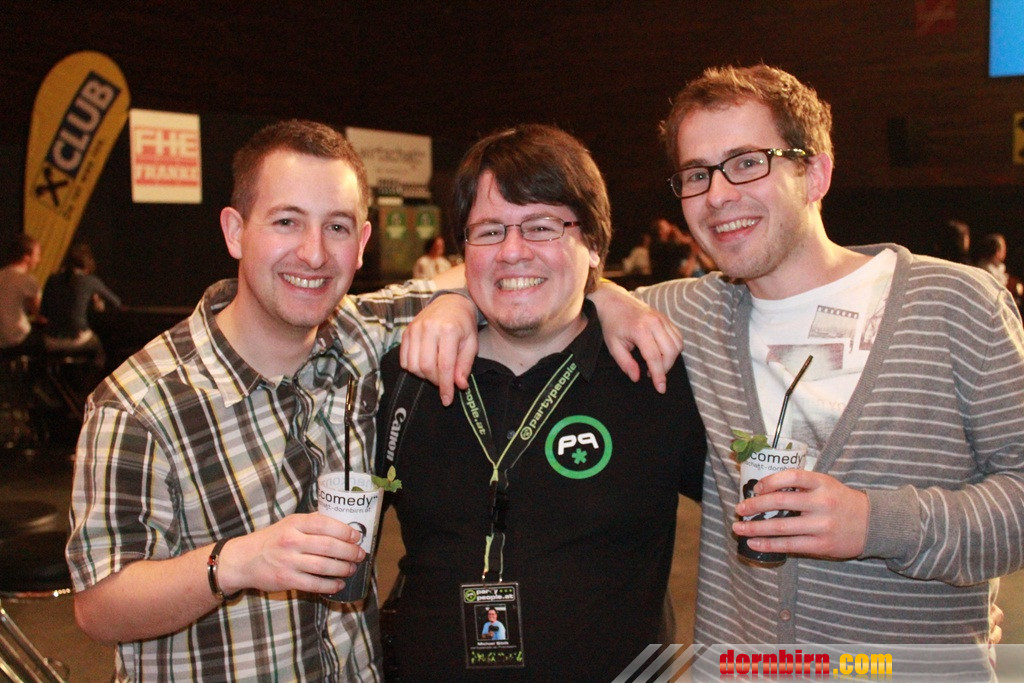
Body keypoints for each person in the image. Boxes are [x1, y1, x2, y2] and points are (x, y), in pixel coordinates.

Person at [633, 64, 1024, 662]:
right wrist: (604, 299)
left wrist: (874, 523)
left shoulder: (955, 304)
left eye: (747, 162)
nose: (717, 195)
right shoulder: (686, 312)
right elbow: (538, 291)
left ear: (815, 173)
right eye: (696, 174)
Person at [65, 119, 467, 682]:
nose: (314, 253)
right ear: (235, 232)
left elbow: (508, 272)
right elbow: (98, 609)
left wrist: (459, 303)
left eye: (336, 227)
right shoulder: (140, 404)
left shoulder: (361, 335)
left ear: (361, 245)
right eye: (286, 222)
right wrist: (236, 562)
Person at [377, 124, 704, 680]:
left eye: (542, 227)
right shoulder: (406, 375)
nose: (512, 251)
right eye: (489, 231)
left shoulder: (655, 375)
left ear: (593, 244)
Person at [41, 242, 123, 369]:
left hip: (50, 340)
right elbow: (116, 303)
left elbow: (44, 312)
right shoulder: (89, 280)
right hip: (78, 338)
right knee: (100, 352)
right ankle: (90, 380)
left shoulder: (52, 279)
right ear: (88, 264)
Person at [0, 233, 43, 350]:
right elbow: (40, 315)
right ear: (26, 257)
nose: (39, 260)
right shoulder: (27, 280)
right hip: (18, 338)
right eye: (37, 255)